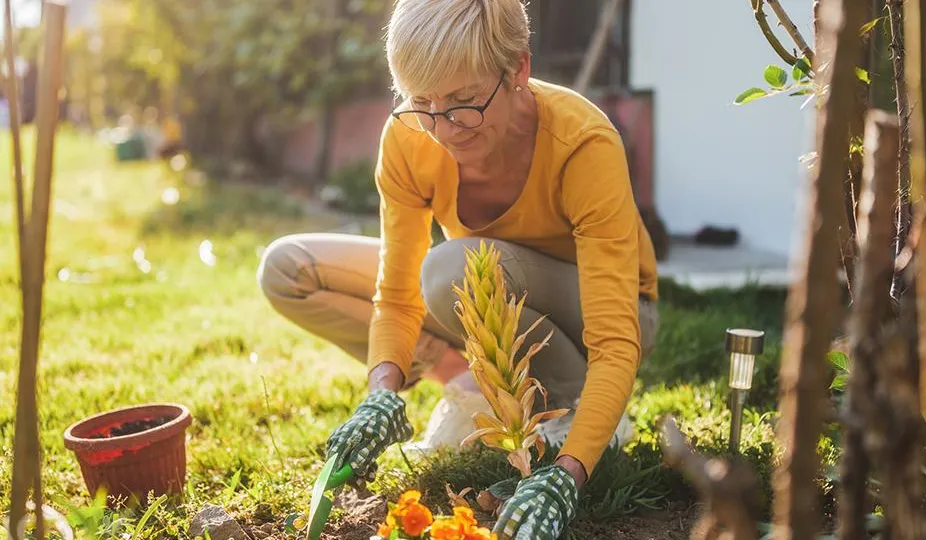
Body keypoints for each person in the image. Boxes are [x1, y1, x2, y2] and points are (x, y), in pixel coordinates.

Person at [257, 0, 659, 537]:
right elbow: (397, 295)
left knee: (451, 269)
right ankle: (470, 375)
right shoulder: (408, 134)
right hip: (482, 291)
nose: (442, 129)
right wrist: (382, 389)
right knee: (288, 267)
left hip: (598, 320)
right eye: (420, 101)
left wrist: (568, 475)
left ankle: (569, 404)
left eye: (463, 102)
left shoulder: (582, 142)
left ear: (518, 68)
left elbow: (615, 339)